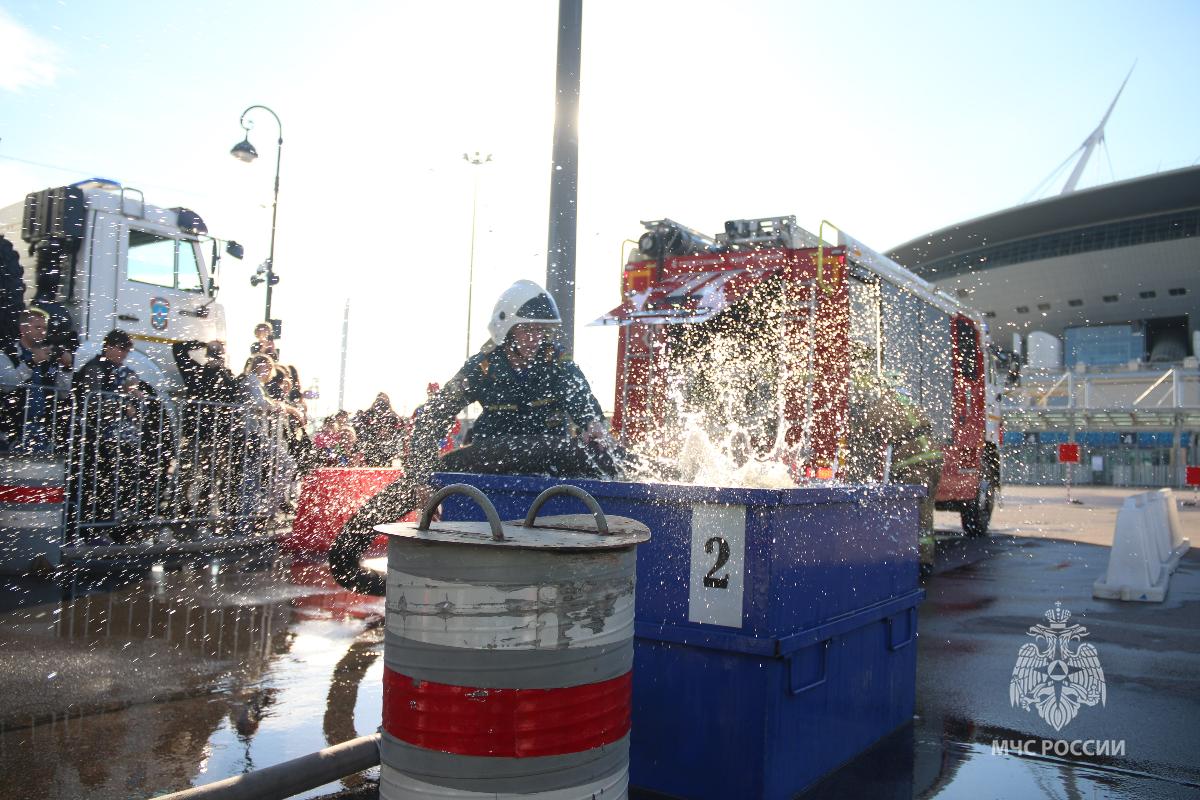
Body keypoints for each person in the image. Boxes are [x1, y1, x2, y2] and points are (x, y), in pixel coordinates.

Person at [331, 280, 620, 595]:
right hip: (488, 459)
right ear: (506, 329)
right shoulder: (482, 367)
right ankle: (349, 555)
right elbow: (432, 416)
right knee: (423, 483)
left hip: (551, 457)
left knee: (611, 464)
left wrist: (593, 423)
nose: (535, 338)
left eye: (540, 330)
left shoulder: (557, 363)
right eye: (527, 330)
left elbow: (581, 399)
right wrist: (421, 478)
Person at [846, 363, 943, 571]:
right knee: (925, 512)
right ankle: (922, 558)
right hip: (933, 460)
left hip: (915, 465)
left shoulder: (884, 405)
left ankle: (919, 562)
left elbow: (863, 428)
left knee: (915, 514)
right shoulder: (908, 402)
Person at [1, 308, 72, 451]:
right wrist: (31, 362)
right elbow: (7, 385)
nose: (42, 331)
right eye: (37, 327)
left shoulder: (49, 356)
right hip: (13, 429)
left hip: (43, 428)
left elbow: (63, 393)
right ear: (23, 328)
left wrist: (66, 367)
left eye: (45, 328)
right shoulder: (8, 353)